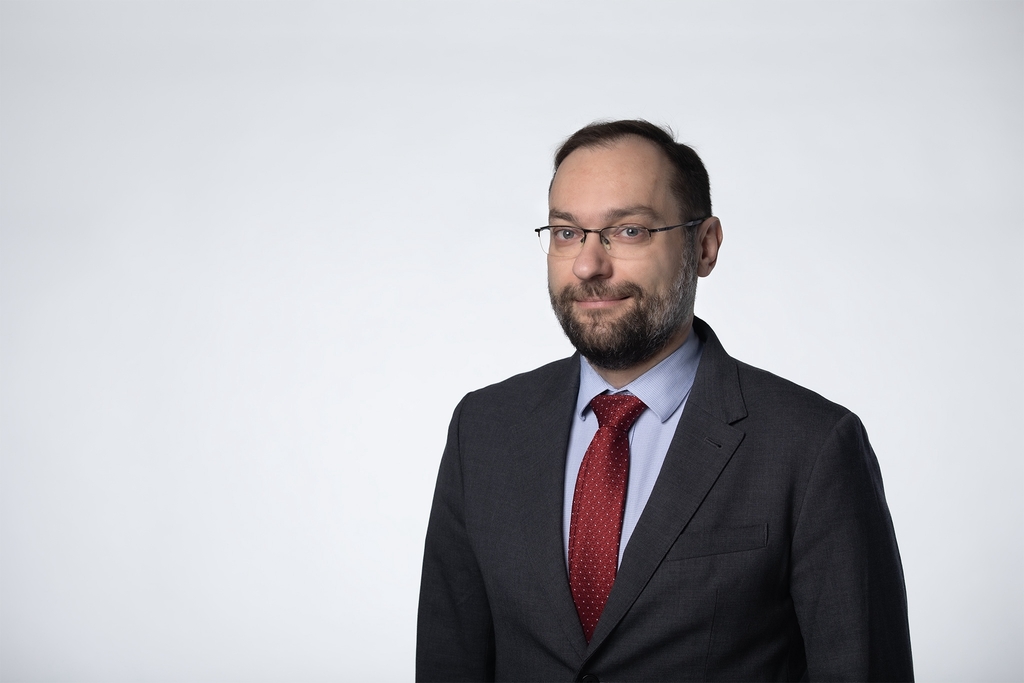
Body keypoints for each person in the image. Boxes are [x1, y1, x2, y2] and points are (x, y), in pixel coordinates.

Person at [416, 120, 913, 682]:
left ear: (704, 246)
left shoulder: (813, 446)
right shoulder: (483, 431)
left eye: (628, 231)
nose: (588, 265)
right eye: (566, 233)